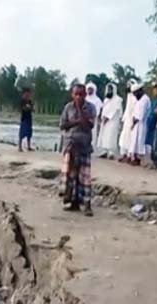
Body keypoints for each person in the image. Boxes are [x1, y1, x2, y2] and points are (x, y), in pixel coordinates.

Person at [59, 84, 97, 216]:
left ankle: (86, 204)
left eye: (81, 94)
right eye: (76, 94)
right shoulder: (68, 107)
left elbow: (89, 126)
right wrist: (76, 122)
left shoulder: (90, 108)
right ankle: (73, 202)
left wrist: (81, 111)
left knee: (85, 176)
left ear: (85, 95)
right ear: (72, 94)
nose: (79, 97)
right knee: (71, 175)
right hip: (70, 144)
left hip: (84, 145)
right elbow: (62, 125)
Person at [97, 83, 123, 159]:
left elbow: (115, 110)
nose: (109, 91)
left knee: (111, 136)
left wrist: (108, 117)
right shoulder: (106, 100)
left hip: (113, 120)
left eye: (111, 89)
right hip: (105, 120)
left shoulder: (118, 99)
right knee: (104, 135)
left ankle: (111, 153)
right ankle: (104, 151)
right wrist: (103, 117)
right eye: (108, 89)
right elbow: (104, 109)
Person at [118, 80, 138, 163]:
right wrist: (124, 118)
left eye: (130, 85)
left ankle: (131, 156)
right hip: (127, 120)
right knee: (124, 138)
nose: (128, 87)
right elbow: (127, 109)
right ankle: (124, 154)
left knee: (131, 138)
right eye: (128, 85)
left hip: (133, 120)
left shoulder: (136, 97)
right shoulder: (129, 96)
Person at [144, 83, 157, 168]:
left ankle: (155, 162)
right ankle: (150, 161)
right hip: (149, 123)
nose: (154, 91)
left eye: (155, 90)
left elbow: (155, 113)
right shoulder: (153, 101)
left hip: (155, 124)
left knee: (154, 144)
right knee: (148, 144)